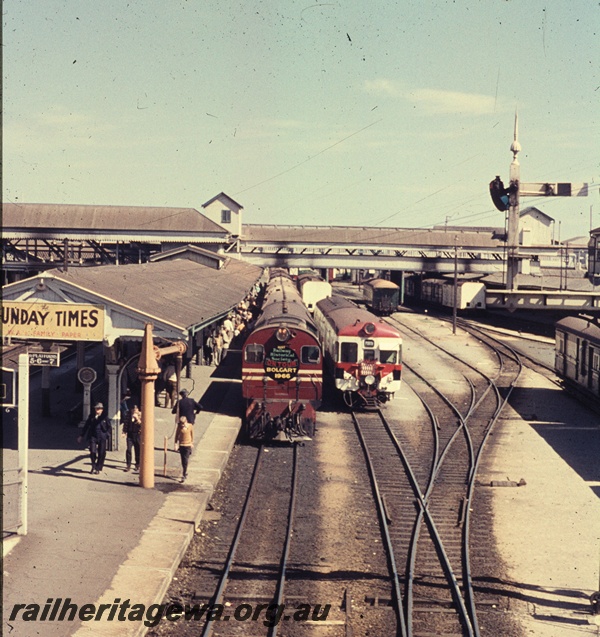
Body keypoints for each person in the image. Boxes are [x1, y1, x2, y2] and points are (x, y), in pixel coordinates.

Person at [78, 402, 111, 475]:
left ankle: (98, 467)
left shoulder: (105, 417)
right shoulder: (91, 416)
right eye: (96, 409)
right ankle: (93, 465)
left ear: (102, 410)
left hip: (102, 436)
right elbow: (86, 426)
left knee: (101, 452)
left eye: (99, 409)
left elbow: (109, 427)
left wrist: (107, 435)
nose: (97, 410)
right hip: (93, 435)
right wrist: (81, 435)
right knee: (92, 451)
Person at [122, 405, 142, 472]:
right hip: (130, 435)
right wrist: (124, 431)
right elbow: (126, 423)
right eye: (133, 409)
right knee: (128, 449)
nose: (134, 411)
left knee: (137, 450)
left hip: (137, 434)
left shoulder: (140, 415)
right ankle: (128, 465)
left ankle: (137, 464)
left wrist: (137, 419)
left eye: (135, 409)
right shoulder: (128, 415)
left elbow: (142, 425)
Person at [175, 416, 194, 482]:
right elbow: (176, 435)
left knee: (185, 460)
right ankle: (185, 471)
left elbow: (192, 434)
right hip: (182, 445)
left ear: (186, 421)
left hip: (188, 445)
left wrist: (191, 443)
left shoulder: (190, 426)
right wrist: (176, 444)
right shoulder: (179, 427)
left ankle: (184, 474)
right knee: (183, 460)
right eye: (181, 423)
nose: (182, 425)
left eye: (183, 423)